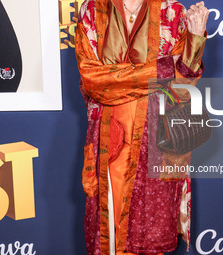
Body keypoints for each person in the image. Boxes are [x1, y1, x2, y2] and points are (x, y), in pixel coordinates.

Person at [75, 0, 209, 253]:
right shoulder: (93, 10)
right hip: (111, 139)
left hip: (158, 140)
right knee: (110, 232)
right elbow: (94, 81)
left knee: (151, 233)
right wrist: (163, 69)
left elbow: (183, 85)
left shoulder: (174, 12)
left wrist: (196, 37)